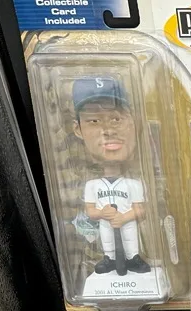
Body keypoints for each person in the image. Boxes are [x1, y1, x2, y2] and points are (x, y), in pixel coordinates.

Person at [73, 76, 150, 276]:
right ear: (78, 129)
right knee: (107, 240)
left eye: (116, 119)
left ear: (134, 122)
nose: (107, 130)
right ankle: (109, 259)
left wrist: (124, 217)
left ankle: (134, 259)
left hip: (127, 223)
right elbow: (90, 211)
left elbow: (140, 210)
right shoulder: (92, 184)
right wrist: (102, 214)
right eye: (94, 121)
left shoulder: (133, 183)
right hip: (106, 223)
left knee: (131, 240)